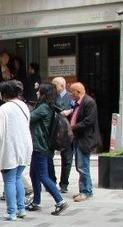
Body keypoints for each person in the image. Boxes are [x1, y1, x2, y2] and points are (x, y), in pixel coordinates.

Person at [0, 81, 32, 221]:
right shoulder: (23, 105)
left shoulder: (4, 109)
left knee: (9, 180)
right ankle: (21, 209)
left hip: (10, 148)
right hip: (24, 146)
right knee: (17, 177)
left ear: (4, 93)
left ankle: (11, 212)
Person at [27, 84, 69, 216]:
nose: (37, 93)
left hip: (41, 146)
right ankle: (36, 201)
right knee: (34, 174)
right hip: (42, 146)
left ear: (44, 93)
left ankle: (60, 201)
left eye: (39, 91)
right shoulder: (50, 106)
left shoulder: (44, 108)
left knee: (43, 176)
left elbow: (28, 117)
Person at [66, 82, 99, 202]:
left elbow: (89, 121)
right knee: (80, 166)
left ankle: (86, 191)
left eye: (72, 92)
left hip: (85, 139)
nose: (71, 94)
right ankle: (85, 189)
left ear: (78, 92)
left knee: (83, 166)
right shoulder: (77, 103)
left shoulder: (89, 102)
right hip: (78, 138)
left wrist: (73, 127)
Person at [51, 77, 75, 191]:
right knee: (48, 158)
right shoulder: (52, 97)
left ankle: (64, 183)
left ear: (61, 85)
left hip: (67, 132)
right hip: (53, 131)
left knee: (67, 158)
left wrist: (69, 111)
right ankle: (51, 181)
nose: (53, 88)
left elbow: (76, 110)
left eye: (55, 85)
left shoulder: (70, 97)